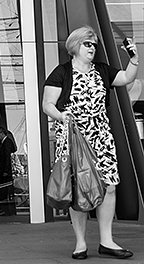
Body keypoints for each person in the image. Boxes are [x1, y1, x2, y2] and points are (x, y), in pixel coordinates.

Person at [42, 26, 139, 260]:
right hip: (74, 135)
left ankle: (106, 241)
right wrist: (61, 116)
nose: (92, 49)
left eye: (94, 45)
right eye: (87, 44)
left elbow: (125, 78)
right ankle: (81, 243)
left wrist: (134, 59)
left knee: (109, 186)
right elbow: (47, 104)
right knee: (79, 190)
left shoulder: (103, 71)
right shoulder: (62, 72)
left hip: (101, 135)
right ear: (75, 46)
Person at [0, 126, 17, 216]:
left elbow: (7, 156)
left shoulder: (7, 142)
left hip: (5, 171)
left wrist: (5, 170)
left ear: (2, 133)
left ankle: (5, 209)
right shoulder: (4, 143)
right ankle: (5, 209)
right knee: (3, 188)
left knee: (2, 188)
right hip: (5, 170)